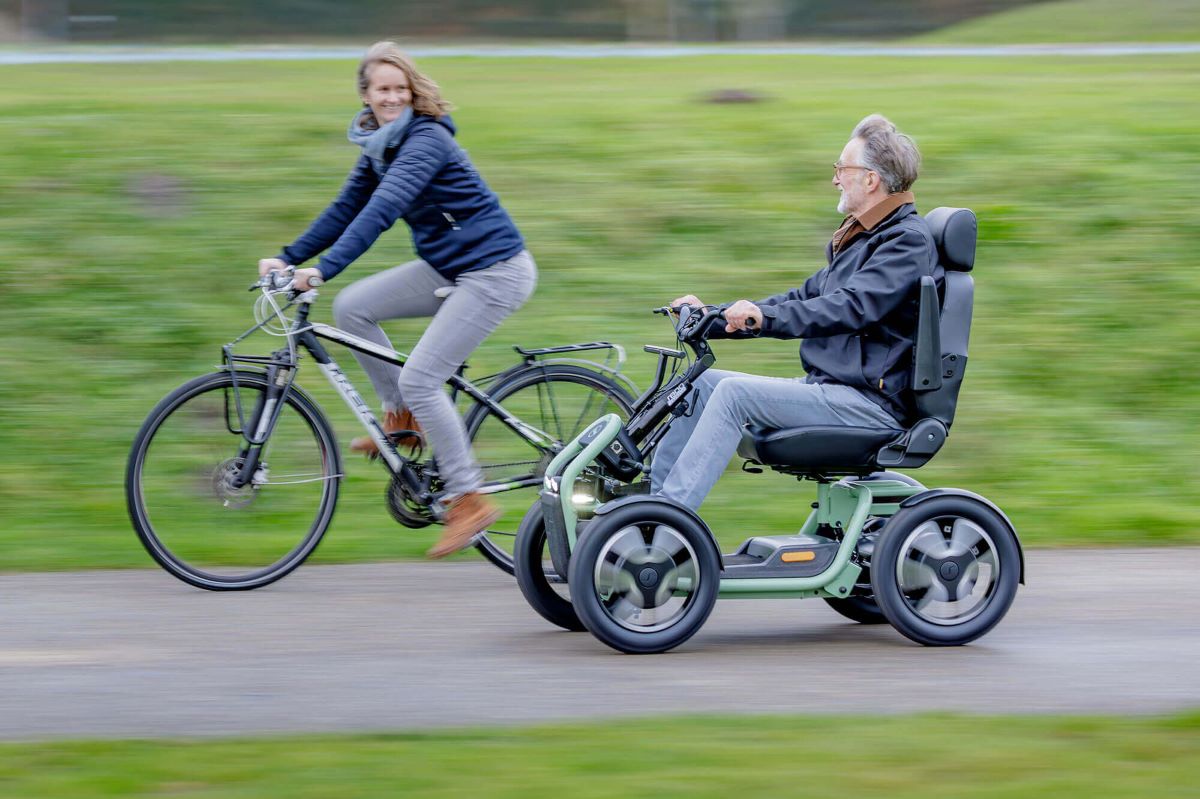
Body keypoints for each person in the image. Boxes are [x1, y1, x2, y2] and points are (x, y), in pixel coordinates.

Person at [257, 41, 536, 558]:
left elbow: (382, 210)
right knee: (352, 308)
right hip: (450, 264)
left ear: (412, 93)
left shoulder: (425, 140)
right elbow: (347, 207)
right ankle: (403, 419)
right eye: (381, 89)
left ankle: (468, 498)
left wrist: (321, 270)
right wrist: (288, 256)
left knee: (422, 376)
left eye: (399, 88)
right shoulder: (379, 144)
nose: (391, 97)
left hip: (495, 271)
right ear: (366, 95)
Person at [652, 114, 941, 510]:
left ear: (871, 180)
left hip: (870, 405)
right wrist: (713, 318)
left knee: (734, 395)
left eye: (842, 168)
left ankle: (668, 518)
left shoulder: (904, 243)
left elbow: (849, 308)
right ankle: (649, 505)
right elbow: (802, 296)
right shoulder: (864, 238)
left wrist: (763, 318)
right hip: (832, 389)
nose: (835, 178)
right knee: (703, 385)